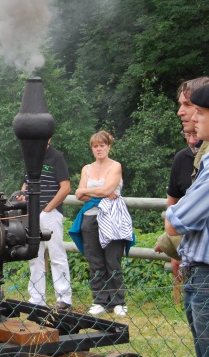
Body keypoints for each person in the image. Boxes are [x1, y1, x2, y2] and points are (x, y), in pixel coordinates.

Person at [165, 84, 209, 357]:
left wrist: (177, 214)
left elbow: (180, 217)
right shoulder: (194, 158)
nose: (189, 114)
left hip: (205, 267)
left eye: (198, 110)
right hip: (194, 263)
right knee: (201, 337)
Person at [69, 131, 133, 317]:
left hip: (112, 218)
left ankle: (118, 301)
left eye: (102, 145)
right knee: (95, 260)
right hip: (89, 217)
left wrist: (92, 190)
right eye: (95, 146)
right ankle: (99, 300)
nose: (99, 149)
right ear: (92, 148)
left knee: (112, 260)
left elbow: (105, 189)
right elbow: (79, 194)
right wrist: (102, 192)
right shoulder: (86, 169)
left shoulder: (116, 166)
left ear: (109, 146)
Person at [155, 77, 209, 272]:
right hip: (192, 259)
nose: (180, 112)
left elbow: (177, 219)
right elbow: (173, 202)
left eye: (187, 104)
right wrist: (176, 245)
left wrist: (173, 236)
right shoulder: (188, 156)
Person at [17, 140, 72, 312]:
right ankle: (36, 298)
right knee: (34, 255)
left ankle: (64, 299)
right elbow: (26, 183)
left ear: (48, 138)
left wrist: (48, 208)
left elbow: (66, 187)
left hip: (51, 214)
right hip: (31, 214)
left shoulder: (56, 157)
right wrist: (22, 196)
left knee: (56, 255)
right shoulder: (30, 157)